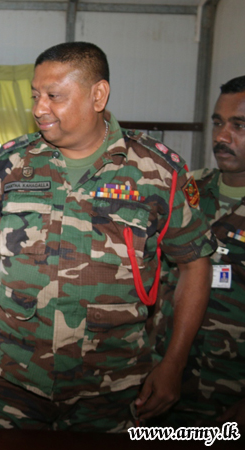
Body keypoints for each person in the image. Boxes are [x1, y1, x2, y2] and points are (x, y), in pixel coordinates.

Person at [0, 42, 216, 432]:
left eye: (54, 96)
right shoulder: (13, 163)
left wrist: (173, 363)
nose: (39, 109)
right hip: (13, 382)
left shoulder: (157, 171)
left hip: (111, 390)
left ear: (98, 95)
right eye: (35, 95)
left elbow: (195, 264)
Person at [155, 75, 245, 427]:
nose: (222, 137)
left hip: (230, 394)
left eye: (239, 125)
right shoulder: (187, 190)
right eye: (218, 123)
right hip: (163, 385)